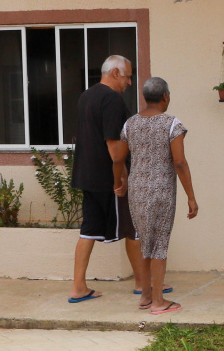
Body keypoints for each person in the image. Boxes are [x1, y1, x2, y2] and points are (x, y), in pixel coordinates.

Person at [68, 55, 170, 303]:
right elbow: (114, 145)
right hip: (109, 178)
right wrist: (122, 178)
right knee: (133, 228)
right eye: (127, 76)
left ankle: (79, 287)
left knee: (88, 231)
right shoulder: (112, 100)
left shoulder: (87, 96)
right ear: (114, 73)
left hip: (87, 175)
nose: (129, 82)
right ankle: (141, 283)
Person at [120, 77, 198, 315]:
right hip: (162, 192)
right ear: (165, 96)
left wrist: (120, 182)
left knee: (146, 243)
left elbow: (118, 157)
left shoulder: (129, 124)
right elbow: (180, 162)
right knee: (159, 245)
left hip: (137, 191)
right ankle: (158, 301)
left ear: (145, 97)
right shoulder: (171, 124)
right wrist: (191, 197)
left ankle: (145, 296)